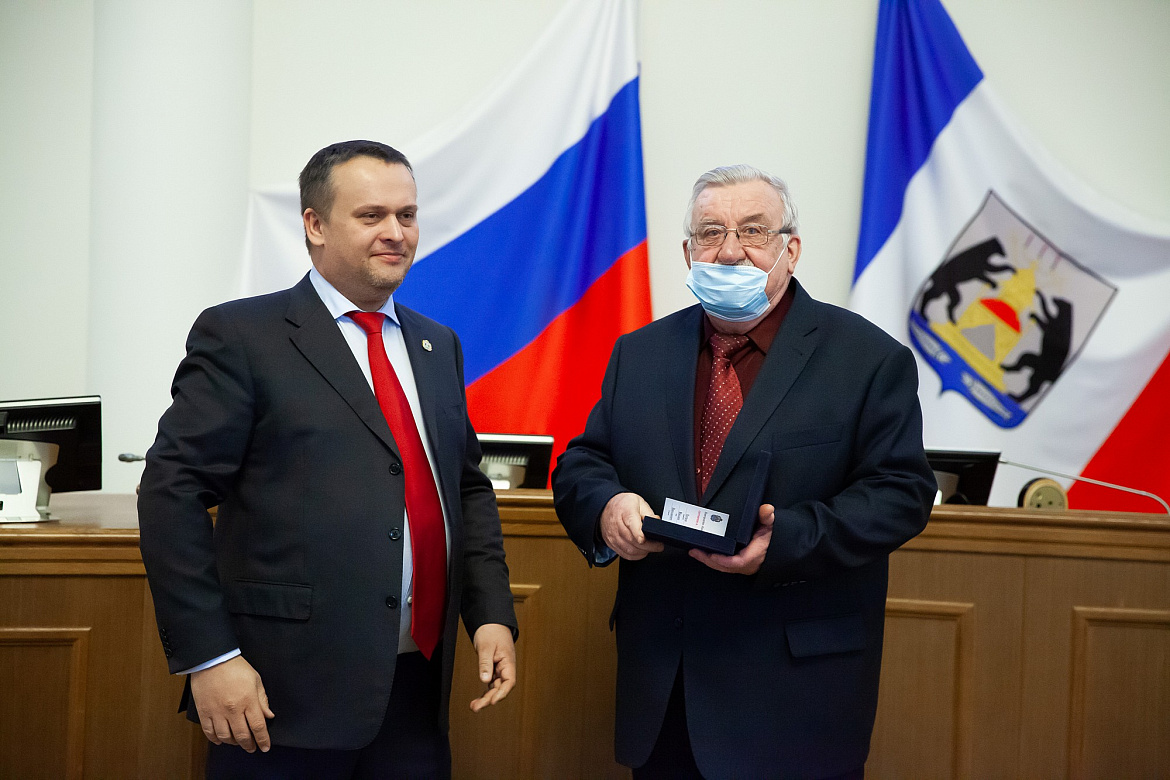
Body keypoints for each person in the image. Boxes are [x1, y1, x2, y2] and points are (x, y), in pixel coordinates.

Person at [138, 140, 518, 779]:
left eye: (407, 215)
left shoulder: (437, 344)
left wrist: (490, 615)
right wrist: (210, 657)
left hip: (417, 689)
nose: (396, 232)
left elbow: (464, 489)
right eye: (371, 216)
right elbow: (170, 492)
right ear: (314, 225)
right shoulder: (243, 336)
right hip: (279, 696)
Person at [553, 165, 935, 780]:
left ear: (792, 249)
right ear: (688, 253)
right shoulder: (640, 354)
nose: (730, 251)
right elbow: (584, 462)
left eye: (754, 231)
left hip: (795, 699)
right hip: (666, 692)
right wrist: (607, 507)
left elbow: (902, 494)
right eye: (711, 232)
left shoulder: (868, 359)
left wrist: (783, 541)